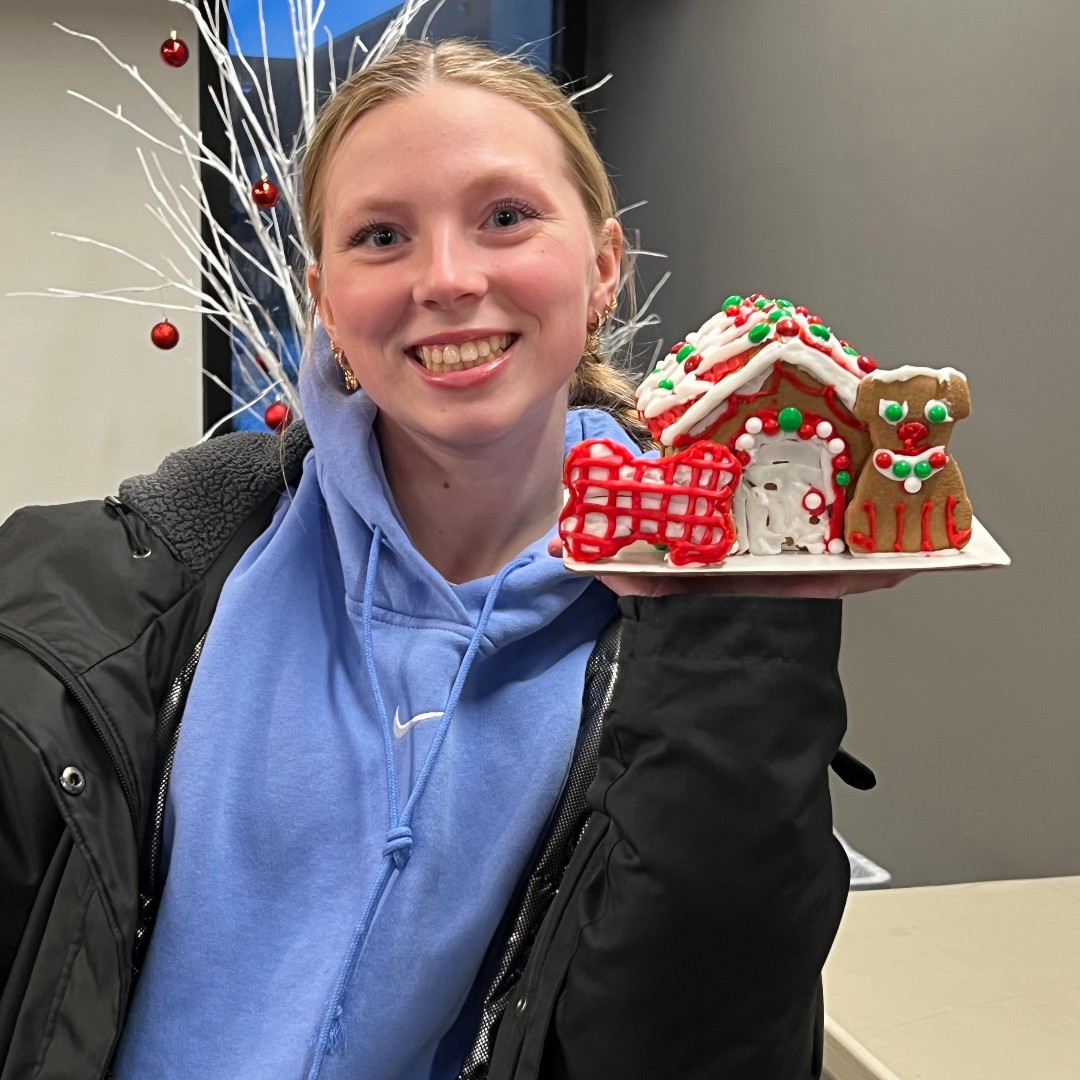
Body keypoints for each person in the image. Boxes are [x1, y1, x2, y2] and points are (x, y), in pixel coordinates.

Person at [0, 39, 896, 1080]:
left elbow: (702, 1040)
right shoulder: (110, 593)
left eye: (506, 217)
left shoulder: (685, 638)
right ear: (325, 297)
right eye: (381, 235)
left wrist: (747, 643)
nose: (448, 279)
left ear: (604, 265)